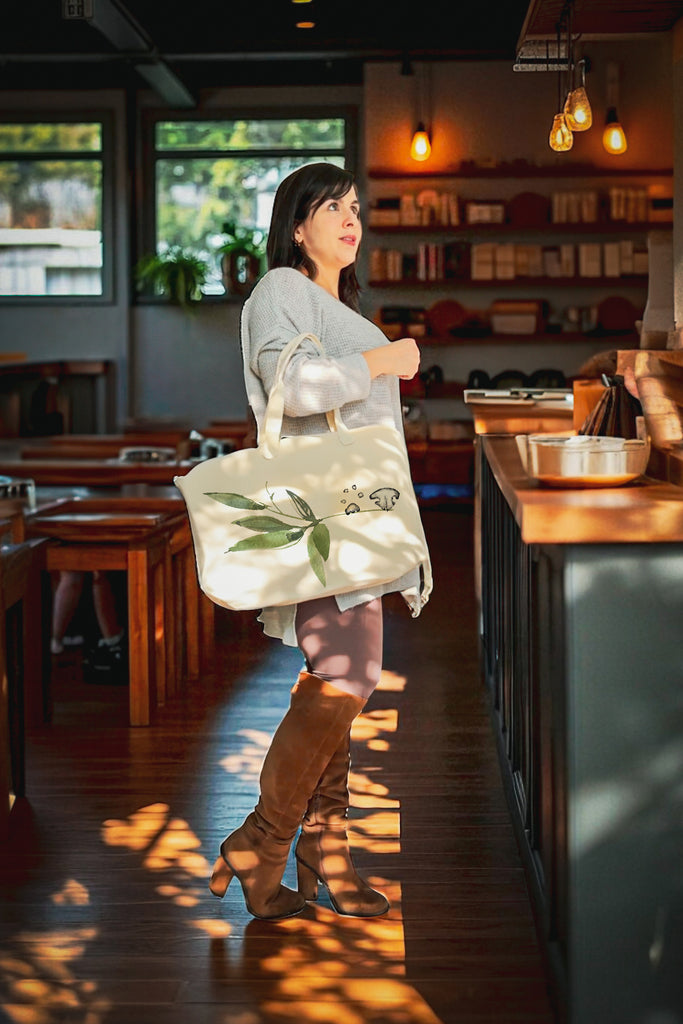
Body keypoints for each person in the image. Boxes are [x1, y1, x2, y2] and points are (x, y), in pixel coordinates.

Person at [208, 162, 427, 920]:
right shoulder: (282, 288)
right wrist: (384, 360)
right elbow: (294, 391)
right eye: (331, 207)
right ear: (295, 227)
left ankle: (320, 854)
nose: (349, 218)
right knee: (347, 677)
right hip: (321, 514)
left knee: (338, 680)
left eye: (356, 207)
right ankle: (266, 840)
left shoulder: (330, 301)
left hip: (351, 515)